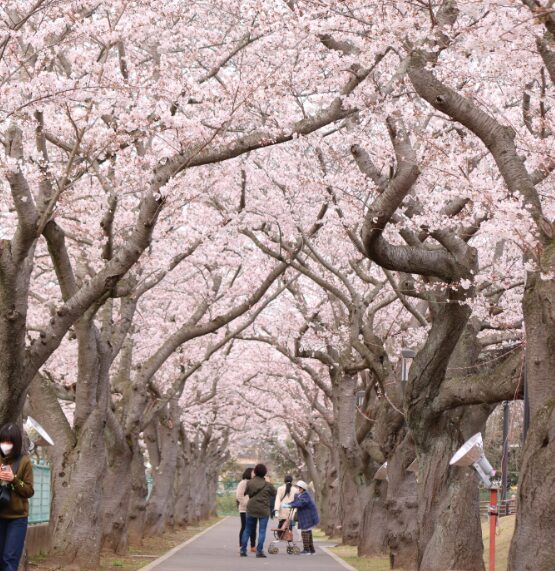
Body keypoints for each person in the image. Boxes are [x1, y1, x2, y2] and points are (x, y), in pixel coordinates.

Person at [0, 423, 34, 571]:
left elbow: (29, 491)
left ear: (16, 443)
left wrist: (13, 479)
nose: (5, 445)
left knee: (9, 559)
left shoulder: (24, 462)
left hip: (17, 518)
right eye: (3, 441)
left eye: (9, 442)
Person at [240, 463, 276, 558]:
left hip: (251, 508)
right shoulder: (267, 484)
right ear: (265, 473)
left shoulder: (250, 482)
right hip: (264, 510)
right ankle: (259, 551)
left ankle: (243, 550)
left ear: (255, 472)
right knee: (262, 530)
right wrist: (268, 482)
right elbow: (274, 493)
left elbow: (246, 492)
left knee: (247, 529)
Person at [283, 480, 319, 555]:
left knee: (305, 532)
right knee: (308, 531)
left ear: (302, 488)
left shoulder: (305, 495)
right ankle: (311, 550)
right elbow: (295, 502)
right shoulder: (300, 495)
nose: (297, 489)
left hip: (308, 516)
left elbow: (301, 503)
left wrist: (290, 505)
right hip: (306, 516)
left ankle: (306, 550)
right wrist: (288, 504)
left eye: (298, 488)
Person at [235, 468, 257, 553]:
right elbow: (239, 496)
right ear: (249, 473)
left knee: (253, 528)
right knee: (244, 527)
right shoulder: (243, 483)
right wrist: (246, 504)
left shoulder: (253, 483)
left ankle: (253, 546)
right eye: (253, 472)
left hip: (254, 509)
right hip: (244, 510)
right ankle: (242, 545)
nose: (254, 474)